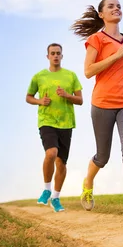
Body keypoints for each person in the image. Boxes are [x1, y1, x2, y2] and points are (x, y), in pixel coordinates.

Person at [70, 0, 123, 222]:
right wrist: (117, 55)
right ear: (101, 14)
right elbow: (89, 71)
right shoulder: (96, 39)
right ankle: (88, 182)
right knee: (102, 157)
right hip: (103, 103)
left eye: (119, 6)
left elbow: (120, 73)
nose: (116, 8)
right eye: (111, 6)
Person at [26, 43, 83, 212]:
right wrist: (39, 101)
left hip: (66, 123)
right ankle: (46, 189)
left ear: (62, 56)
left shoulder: (71, 76)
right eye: (52, 53)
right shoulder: (39, 76)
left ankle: (56, 198)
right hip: (47, 120)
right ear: (48, 56)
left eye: (58, 53)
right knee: (51, 153)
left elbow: (80, 100)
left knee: (62, 164)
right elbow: (28, 97)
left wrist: (66, 95)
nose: (55, 56)